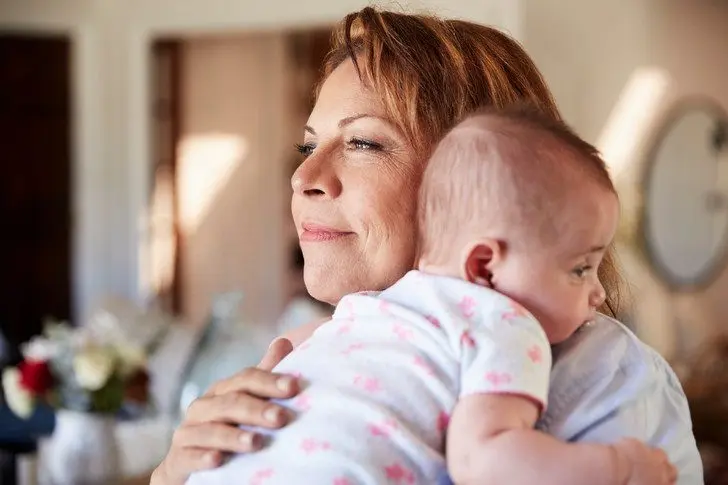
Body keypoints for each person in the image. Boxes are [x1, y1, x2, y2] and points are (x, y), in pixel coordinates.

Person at [151, 7, 703, 485]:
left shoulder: (605, 376)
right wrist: (176, 471)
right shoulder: (303, 354)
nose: (304, 176)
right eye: (308, 145)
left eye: (364, 142)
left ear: (480, 184)